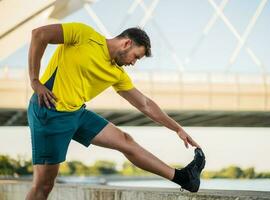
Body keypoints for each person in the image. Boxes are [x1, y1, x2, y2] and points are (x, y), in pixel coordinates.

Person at [26, 22, 206, 199]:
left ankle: (184, 178)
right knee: (44, 185)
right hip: (50, 112)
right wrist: (35, 81)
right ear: (126, 43)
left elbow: (145, 104)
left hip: (77, 113)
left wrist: (177, 128)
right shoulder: (84, 35)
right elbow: (39, 34)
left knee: (126, 141)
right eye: (135, 56)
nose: (134, 63)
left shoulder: (116, 73)